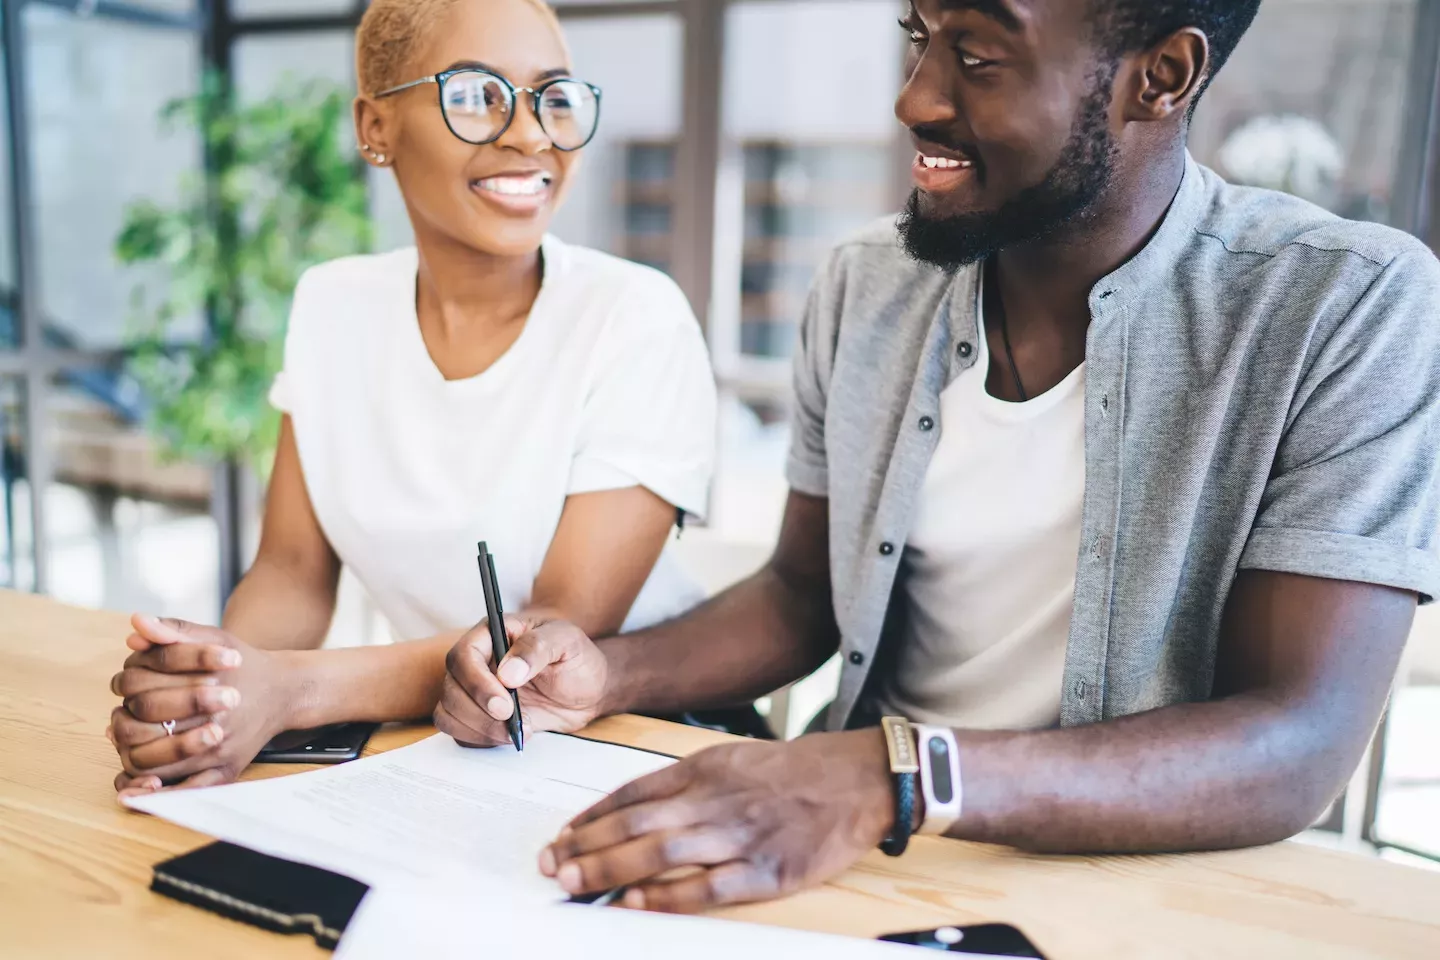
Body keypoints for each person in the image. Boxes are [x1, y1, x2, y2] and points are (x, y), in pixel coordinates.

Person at [414, 0, 1440, 912]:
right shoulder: (868, 283)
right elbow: (802, 595)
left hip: (1142, 887)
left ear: (1159, 78)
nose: (915, 99)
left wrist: (888, 776)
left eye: (979, 55)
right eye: (918, 36)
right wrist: (603, 673)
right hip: (856, 845)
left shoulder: (1346, 307)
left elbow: (1297, 743)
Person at [105, 0, 715, 795]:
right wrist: (216, 692)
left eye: (552, 97)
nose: (531, 134)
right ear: (376, 128)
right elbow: (290, 574)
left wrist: (286, 691)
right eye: (476, 95)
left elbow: (552, 637)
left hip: (637, 743)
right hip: (447, 748)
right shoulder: (333, 305)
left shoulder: (631, 316)